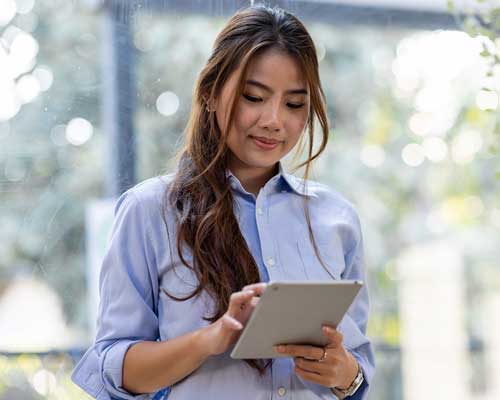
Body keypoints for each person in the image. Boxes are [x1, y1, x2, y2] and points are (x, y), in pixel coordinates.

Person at [71, 5, 375, 400]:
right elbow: (114, 370)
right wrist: (211, 338)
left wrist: (344, 372)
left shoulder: (337, 219)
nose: (274, 120)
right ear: (211, 94)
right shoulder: (149, 211)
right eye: (254, 97)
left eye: (294, 104)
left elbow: (356, 373)